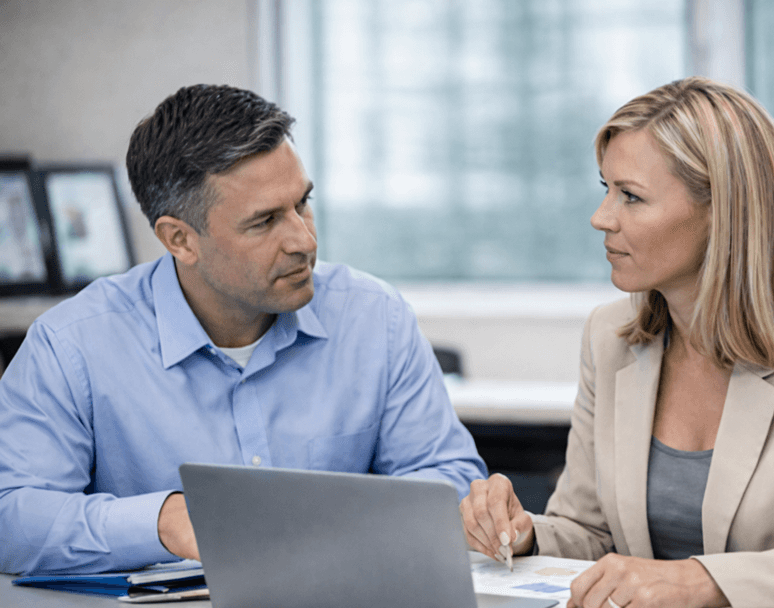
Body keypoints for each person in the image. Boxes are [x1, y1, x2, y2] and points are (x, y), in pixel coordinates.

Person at [460, 77, 774, 608]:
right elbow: (591, 534)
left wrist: (699, 580)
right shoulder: (611, 338)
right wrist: (522, 535)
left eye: (631, 196)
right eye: (606, 188)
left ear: (722, 211)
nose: (601, 217)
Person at [0, 84, 487, 576]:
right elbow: (12, 518)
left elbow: (452, 481)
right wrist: (165, 521)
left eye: (303, 204)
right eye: (265, 221)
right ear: (180, 239)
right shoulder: (72, 346)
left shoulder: (375, 318)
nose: (303, 239)